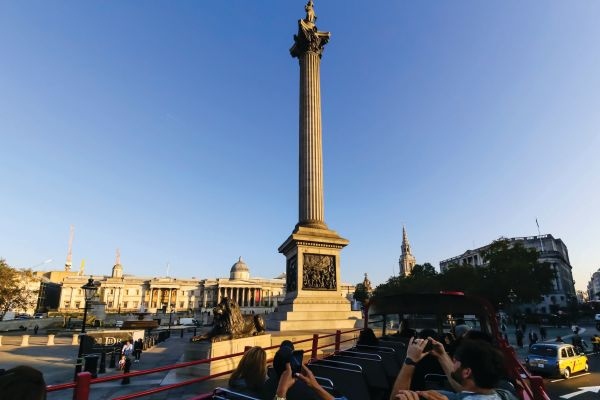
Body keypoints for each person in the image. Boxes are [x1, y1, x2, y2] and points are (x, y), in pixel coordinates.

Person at [390, 338, 517, 400]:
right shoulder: (505, 394)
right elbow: (466, 387)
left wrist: (410, 360)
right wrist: (441, 355)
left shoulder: (438, 397)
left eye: (455, 362)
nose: (453, 364)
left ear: (467, 372)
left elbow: (396, 397)